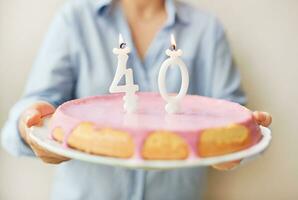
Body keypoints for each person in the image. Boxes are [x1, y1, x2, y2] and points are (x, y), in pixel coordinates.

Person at [1, 0, 272, 199]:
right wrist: (30, 126)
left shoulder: (206, 29)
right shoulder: (75, 20)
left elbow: (233, 113)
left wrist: (232, 147)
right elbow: (32, 109)